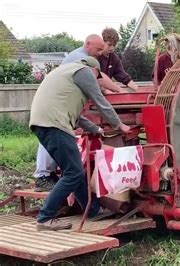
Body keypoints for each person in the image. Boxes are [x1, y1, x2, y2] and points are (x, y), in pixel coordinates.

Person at [30, 56, 130, 230]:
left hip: (43, 123)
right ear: (94, 70)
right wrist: (119, 125)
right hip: (55, 124)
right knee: (74, 173)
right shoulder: (84, 72)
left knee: (73, 170)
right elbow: (100, 101)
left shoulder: (65, 72)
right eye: (98, 77)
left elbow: (77, 115)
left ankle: (92, 210)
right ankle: (45, 217)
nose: (97, 81)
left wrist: (96, 130)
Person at [33, 34, 123, 191]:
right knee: (54, 142)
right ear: (87, 44)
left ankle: (51, 176)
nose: (100, 52)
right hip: (55, 111)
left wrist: (95, 129)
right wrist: (121, 94)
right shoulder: (81, 61)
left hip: (55, 108)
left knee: (57, 146)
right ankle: (43, 177)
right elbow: (98, 91)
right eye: (98, 49)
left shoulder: (85, 59)